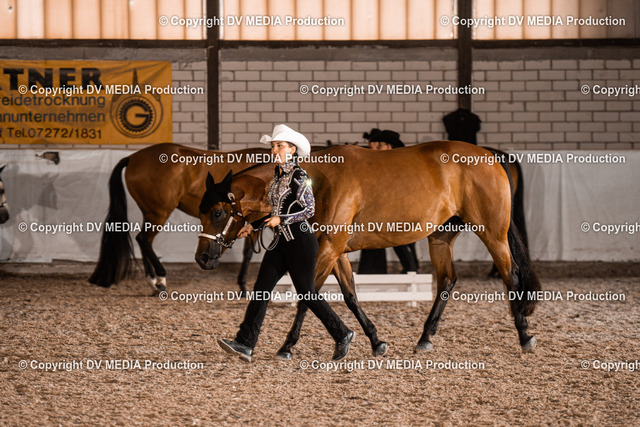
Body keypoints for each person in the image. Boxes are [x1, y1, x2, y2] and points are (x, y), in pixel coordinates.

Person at [218, 124, 355, 363]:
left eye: (279, 145)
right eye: (273, 146)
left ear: (292, 149)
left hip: (300, 241)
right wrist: (254, 225)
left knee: (307, 293)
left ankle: (342, 333)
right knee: (261, 290)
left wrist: (281, 219)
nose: (274, 150)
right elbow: (275, 211)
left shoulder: (300, 176)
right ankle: (245, 343)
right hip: (280, 241)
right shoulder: (277, 178)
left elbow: (308, 209)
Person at [358, 129, 420, 275]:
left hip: (396, 207)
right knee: (389, 238)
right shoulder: (390, 161)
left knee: (396, 239)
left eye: (380, 145)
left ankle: (410, 268)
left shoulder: (397, 162)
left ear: (389, 146)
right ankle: (408, 268)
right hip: (387, 206)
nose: (377, 148)